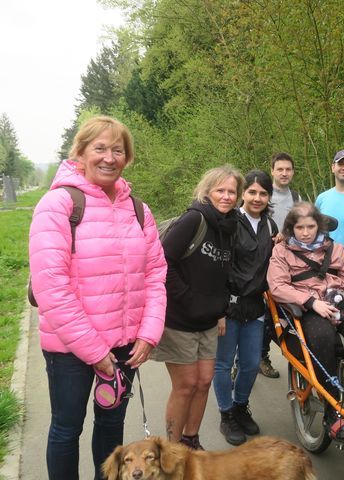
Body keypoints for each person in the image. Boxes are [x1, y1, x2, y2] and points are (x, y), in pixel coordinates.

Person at [29, 115, 167, 480]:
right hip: (69, 349)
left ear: (127, 157)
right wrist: (95, 353)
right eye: (100, 148)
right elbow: (52, 288)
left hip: (124, 345)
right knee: (66, 428)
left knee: (110, 428)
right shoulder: (58, 205)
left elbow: (155, 274)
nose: (109, 157)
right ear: (80, 153)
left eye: (118, 150)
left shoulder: (138, 210)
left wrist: (149, 333)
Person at [267, 202, 344, 440]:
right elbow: (278, 286)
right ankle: (333, 411)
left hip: (339, 297)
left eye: (310, 226)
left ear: (319, 226)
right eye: (300, 227)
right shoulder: (281, 252)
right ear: (292, 228)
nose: (305, 232)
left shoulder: (335, 249)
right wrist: (311, 302)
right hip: (308, 305)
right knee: (323, 339)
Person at [152, 165, 242, 451]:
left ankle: (192, 441)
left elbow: (223, 271)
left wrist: (221, 309)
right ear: (207, 191)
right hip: (179, 319)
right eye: (220, 190)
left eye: (232, 191)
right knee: (186, 385)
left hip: (208, 320)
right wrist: (188, 298)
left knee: (204, 382)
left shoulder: (230, 225)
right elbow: (163, 260)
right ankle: (172, 449)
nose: (226, 196)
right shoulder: (194, 219)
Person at [213, 170, 277, 446]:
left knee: (250, 364)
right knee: (224, 364)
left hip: (255, 307)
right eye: (252, 192)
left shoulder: (271, 227)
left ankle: (240, 406)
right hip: (229, 306)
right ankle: (226, 414)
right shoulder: (228, 222)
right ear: (243, 194)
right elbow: (216, 266)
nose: (257, 198)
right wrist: (217, 309)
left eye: (263, 193)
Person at [256, 152, 302, 380]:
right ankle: (253, 358)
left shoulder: (297, 196)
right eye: (280, 169)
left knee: (276, 310)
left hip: (288, 262)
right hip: (262, 259)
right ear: (272, 170)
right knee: (259, 309)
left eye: (288, 169)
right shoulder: (263, 194)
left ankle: (262, 355)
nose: (284, 173)